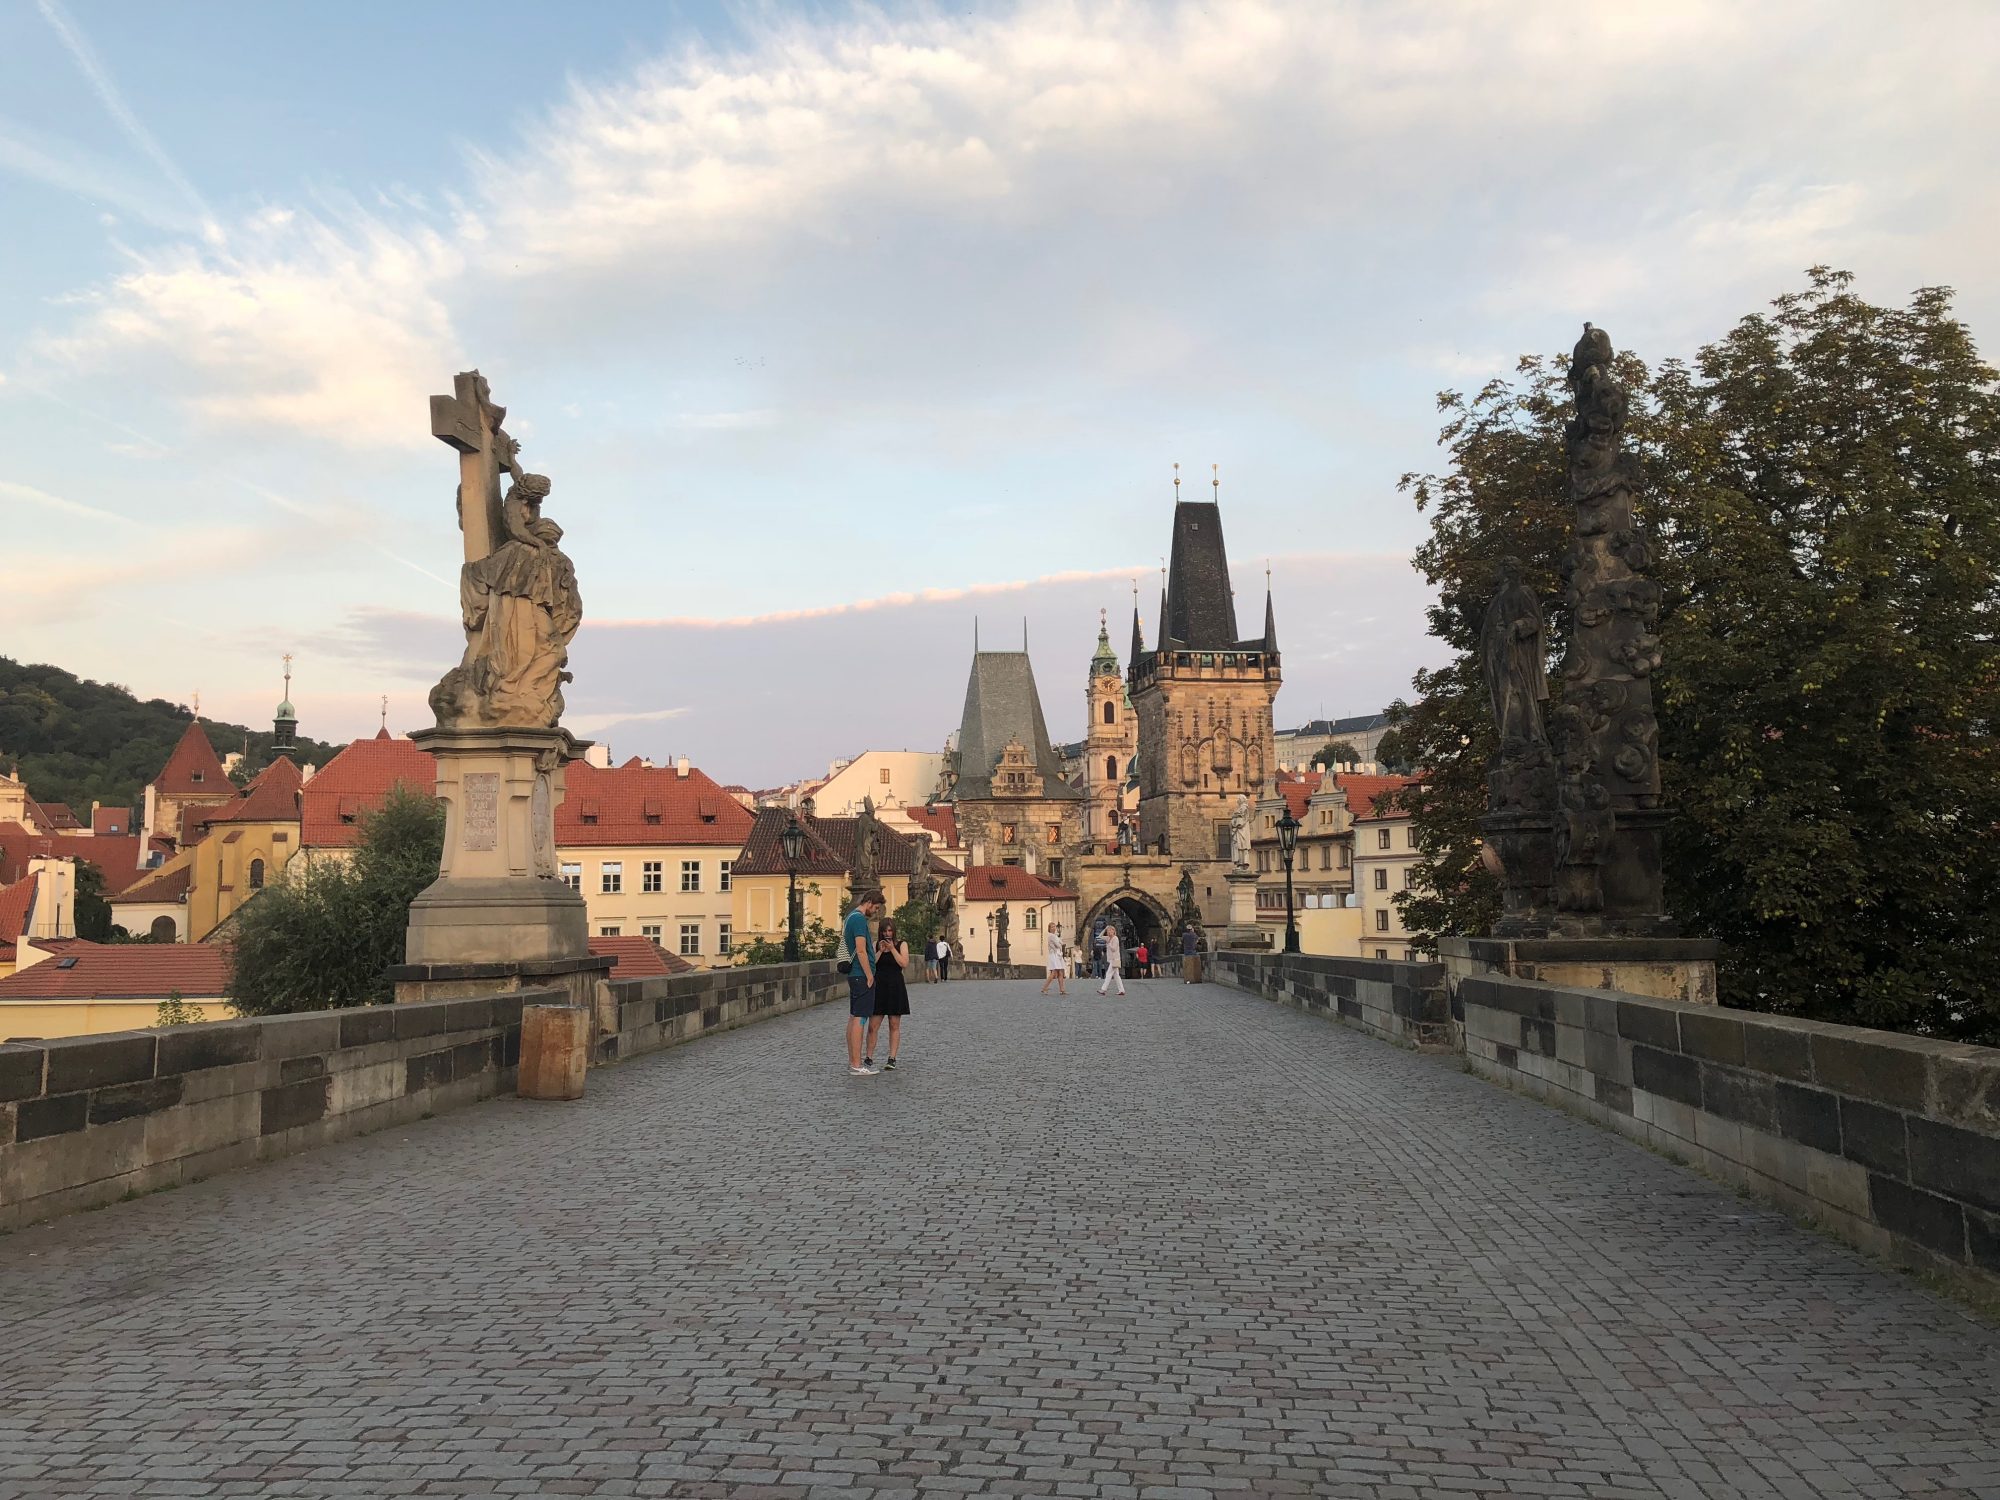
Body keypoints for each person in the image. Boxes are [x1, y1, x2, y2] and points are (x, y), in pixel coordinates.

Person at [843, 890, 884, 1076]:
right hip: (860, 975)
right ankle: (857, 1064)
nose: (875, 912)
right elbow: (860, 951)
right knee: (860, 1018)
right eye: (875, 908)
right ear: (868, 902)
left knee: (854, 1017)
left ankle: (853, 1061)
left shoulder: (849, 917)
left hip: (855, 974)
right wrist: (869, 975)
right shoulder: (858, 919)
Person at [864, 918, 910, 1070]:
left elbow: (904, 963)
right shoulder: (876, 944)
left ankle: (892, 1058)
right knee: (873, 1025)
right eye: (885, 931)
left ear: (894, 931)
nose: (887, 934)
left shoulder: (902, 944)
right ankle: (869, 1057)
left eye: (890, 931)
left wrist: (892, 949)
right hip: (880, 986)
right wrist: (880, 951)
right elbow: (871, 964)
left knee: (894, 1024)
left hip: (895, 986)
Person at [1040, 923, 1069, 996]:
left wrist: (1060, 941)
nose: (1053, 928)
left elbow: (1061, 943)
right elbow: (1058, 944)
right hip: (1054, 955)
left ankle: (1062, 989)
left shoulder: (1055, 935)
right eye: (1052, 927)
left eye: (1054, 927)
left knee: (1060, 972)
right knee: (1054, 972)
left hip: (1058, 955)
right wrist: (1060, 942)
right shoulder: (1051, 936)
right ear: (1049, 928)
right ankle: (1044, 988)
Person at [1098, 923, 1126, 996]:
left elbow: (1114, 949)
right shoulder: (1108, 938)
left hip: (1115, 959)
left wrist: (1109, 944)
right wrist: (1104, 929)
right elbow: (1100, 936)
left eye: (1110, 931)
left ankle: (1103, 989)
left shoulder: (1115, 938)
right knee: (1116, 976)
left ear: (1114, 931)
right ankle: (1121, 990)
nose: (1109, 932)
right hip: (1111, 959)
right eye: (1108, 931)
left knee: (1108, 974)